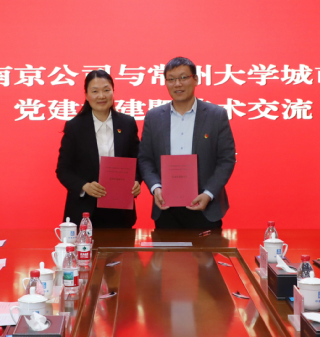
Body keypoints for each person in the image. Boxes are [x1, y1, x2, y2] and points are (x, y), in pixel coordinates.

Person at [138, 56, 236, 230]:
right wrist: (155, 187)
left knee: (208, 249)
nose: (178, 84)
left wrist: (208, 194)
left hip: (206, 207)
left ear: (195, 79)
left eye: (183, 77)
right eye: (171, 79)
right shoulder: (154, 117)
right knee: (166, 249)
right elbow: (145, 158)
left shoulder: (216, 115)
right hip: (166, 208)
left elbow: (226, 159)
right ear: (166, 82)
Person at [56, 69, 142, 228]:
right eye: (95, 91)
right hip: (84, 210)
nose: (101, 96)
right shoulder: (75, 127)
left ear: (113, 92)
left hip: (121, 211)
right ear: (87, 95)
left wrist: (136, 181)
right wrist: (84, 186)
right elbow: (63, 170)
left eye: (106, 90)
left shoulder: (127, 124)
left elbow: (138, 161)